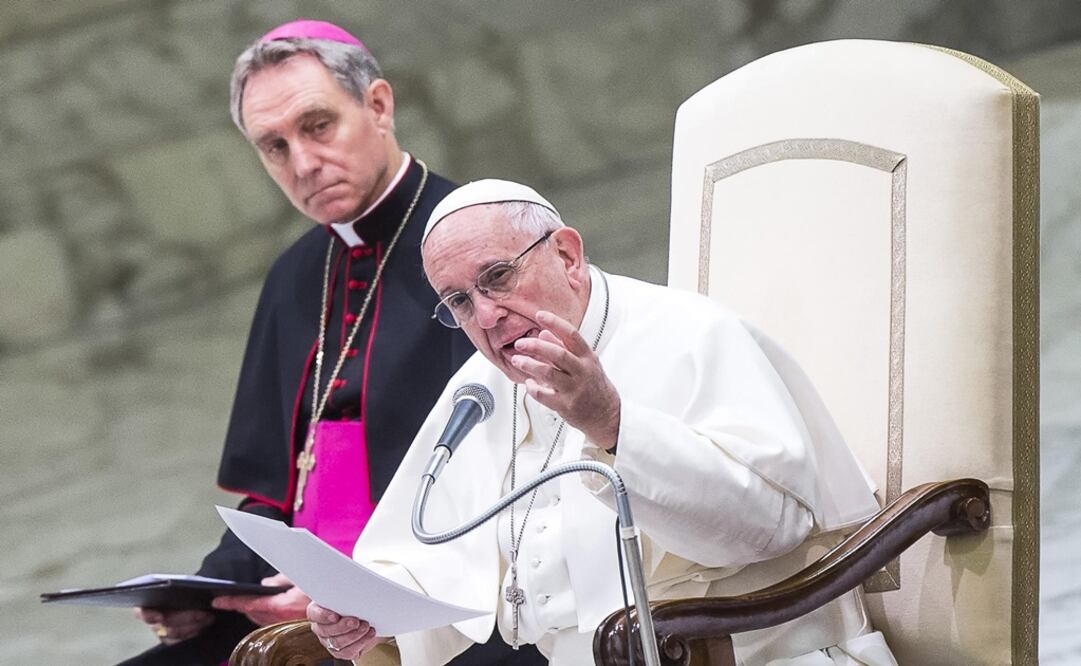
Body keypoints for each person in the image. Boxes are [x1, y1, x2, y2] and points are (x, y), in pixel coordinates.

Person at [306, 179, 900, 665]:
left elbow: (772, 524)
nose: (485, 316)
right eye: (459, 301)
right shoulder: (481, 387)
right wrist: (366, 614)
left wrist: (613, 424)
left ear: (567, 255)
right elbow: (428, 554)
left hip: (752, 654)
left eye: (497, 277)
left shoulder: (692, 334)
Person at [122, 21, 544, 666]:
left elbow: (526, 465)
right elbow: (277, 493)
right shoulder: (293, 276)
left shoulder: (478, 242)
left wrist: (358, 585)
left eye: (318, 126)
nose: (302, 163)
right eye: (274, 146)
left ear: (378, 105)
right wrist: (207, 592)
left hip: (451, 602)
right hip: (301, 605)